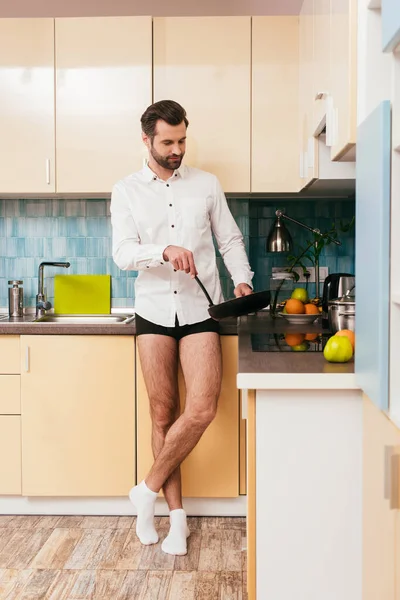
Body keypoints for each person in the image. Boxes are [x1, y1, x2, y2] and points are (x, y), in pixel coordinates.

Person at [110, 100, 253, 556]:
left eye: (182, 141)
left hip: (200, 310)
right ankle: (175, 518)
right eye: (168, 142)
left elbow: (229, 239)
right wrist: (164, 249)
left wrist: (243, 279)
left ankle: (145, 490)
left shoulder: (207, 185)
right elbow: (123, 253)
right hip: (153, 309)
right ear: (147, 139)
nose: (177, 150)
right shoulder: (126, 190)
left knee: (203, 408)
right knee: (161, 413)